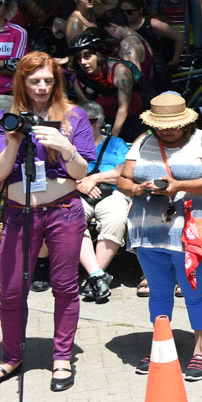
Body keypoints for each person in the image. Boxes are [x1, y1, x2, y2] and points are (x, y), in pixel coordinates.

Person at [0, 52, 95, 391]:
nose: (41, 87)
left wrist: (66, 147)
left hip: (63, 210)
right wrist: (12, 145)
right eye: (34, 80)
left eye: (48, 81)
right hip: (17, 212)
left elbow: (83, 173)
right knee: (10, 291)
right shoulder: (6, 117)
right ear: (22, 83)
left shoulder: (74, 116)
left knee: (65, 286)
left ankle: (61, 358)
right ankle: (11, 355)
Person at [117, 92, 202, 381]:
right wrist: (137, 189)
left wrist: (177, 185)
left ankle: (201, 352)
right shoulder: (142, 140)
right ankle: (160, 346)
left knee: (194, 292)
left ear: (186, 122)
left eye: (172, 125)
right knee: (159, 292)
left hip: (189, 232)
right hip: (149, 232)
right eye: (160, 126)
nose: (166, 131)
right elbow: (123, 179)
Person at [75, 100, 133, 303]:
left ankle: (94, 276)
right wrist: (82, 183)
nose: (80, 126)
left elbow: (123, 173)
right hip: (78, 192)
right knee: (71, 219)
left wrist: (94, 179)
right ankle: (98, 278)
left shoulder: (116, 143)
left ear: (99, 122)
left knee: (116, 220)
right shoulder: (69, 144)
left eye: (86, 121)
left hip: (112, 193)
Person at [68, 28, 146, 141]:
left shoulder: (120, 71)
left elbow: (123, 108)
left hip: (133, 119)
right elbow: (89, 112)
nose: (83, 62)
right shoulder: (79, 82)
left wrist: (112, 139)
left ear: (98, 55)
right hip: (106, 120)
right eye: (79, 58)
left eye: (87, 56)